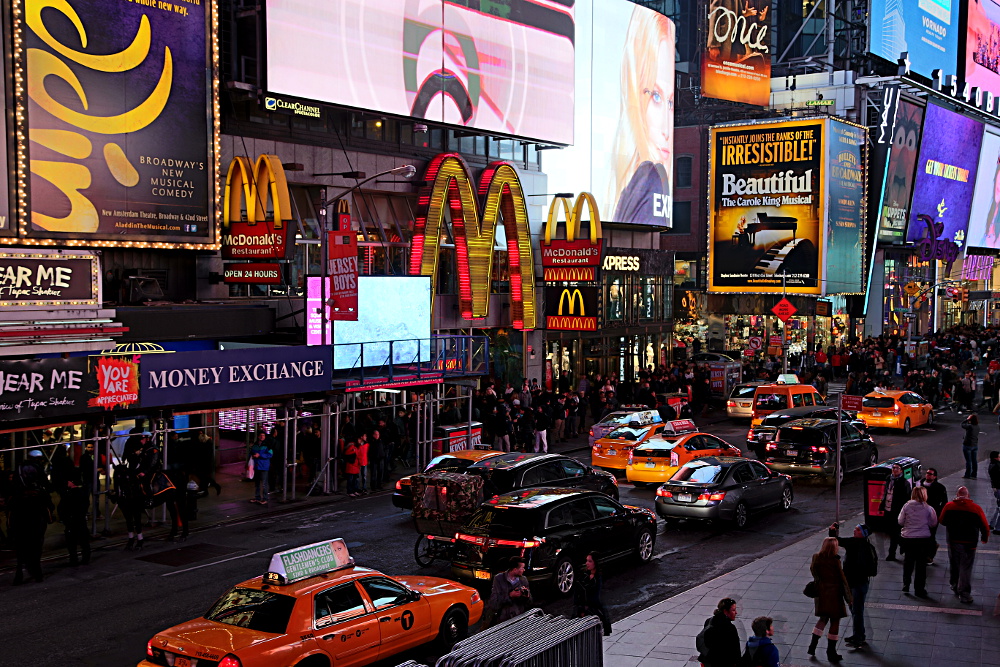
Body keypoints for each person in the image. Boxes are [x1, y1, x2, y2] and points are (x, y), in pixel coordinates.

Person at [609, 7, 675, 224]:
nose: (667, 128)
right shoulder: (651, 180)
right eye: (655, 95)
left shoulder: (637, 184)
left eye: (671, 102)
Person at [7, 450, 53, 584]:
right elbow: (47, 486)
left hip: (20, 500)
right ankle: (37, 572)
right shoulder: (38, 468)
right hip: (35, 500)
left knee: (12, 517)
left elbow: (13, 486)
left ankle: (19, 572)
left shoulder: (19, 468)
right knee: (47, 506)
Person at [829, 522, 877, 649]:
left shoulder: (855, 544)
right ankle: (859, 634)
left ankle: (859, 637)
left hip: (856, 584)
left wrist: (833, 532)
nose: (854, 531)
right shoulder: (866, 546)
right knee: (856, 610)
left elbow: (836, 541)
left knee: (856, 611)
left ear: (863, 533)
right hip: (859, 583)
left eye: (857, 530)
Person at [939, 486, 990, 604]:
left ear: (957, 495)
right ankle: (965, 594)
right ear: (968, 496)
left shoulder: (949, 506)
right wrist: (984, 537)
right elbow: (984, 526)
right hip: (969, 544)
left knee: (954, 564)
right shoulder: (976, 508)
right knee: (966, 568)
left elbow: (942, 520)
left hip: (953, 541)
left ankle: (954, 584)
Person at [807, 537, 852, 662]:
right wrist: (848, 598)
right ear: (834, 547)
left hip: (821, 593)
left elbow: (813, 572)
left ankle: (812, 645)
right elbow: (842, 580)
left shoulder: (816, 557)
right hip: (834, 594)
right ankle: (831, 652)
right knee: (835, 622)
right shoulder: (835, 561)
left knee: (822, 619)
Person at [898, 486, 937, 598]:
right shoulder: (928, 509)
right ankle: (919, 589)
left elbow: (900, 521)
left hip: (908, 538)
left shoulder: (906, 506)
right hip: (923, 539)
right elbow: (933, 523)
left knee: (908, 562)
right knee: (921, 565)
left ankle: (906, 584)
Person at [485, 557, 532, 626]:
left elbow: (529, 603)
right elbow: (494, 603)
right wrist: (510, 596)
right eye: (522, 568)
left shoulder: (523, 580)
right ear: (515, 569)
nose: (524, 570)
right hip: (503, 620)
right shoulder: (499, 579)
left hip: (518, 620)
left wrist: (527, 596)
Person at [573, 552, 611, 636]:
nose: (587, 563)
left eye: (590, 561)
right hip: (583, 608)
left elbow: (596, 595)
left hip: (593, 609)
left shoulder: (598, 578)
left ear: (595, 563)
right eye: (587, 561)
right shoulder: (584, 576)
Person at [879, 463, 911, 561]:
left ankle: (892, 554)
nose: (894, 470)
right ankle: (903, 545)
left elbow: (907, 498)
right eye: (893, 468)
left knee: (894, 532)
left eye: (897, 468)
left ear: (901, 470)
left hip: (897, 511)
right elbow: (885, 493)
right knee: (891, 531)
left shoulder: (904, 482)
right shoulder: (889, 479)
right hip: (887, 509)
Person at [696, 597, 740, 667]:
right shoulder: (730, 628)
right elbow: (735, 651)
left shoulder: (709, 621)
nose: (736, 612)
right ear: (725, 611)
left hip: (708, 661)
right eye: (733, 610)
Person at [61, 467, 91, 566]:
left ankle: (74, 559)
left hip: (72, 519)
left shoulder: (69, 493)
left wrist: (65, 518)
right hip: (80, 519)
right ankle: (85, 558)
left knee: (72, 541)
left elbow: (62, 507)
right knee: (84, 540)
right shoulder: (83, 491)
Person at [919, 468, 948, 563]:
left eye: (930, 474)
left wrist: (940, 515)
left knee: (930, 535)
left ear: (934, 477)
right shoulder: (919, 484)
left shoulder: (940, 488)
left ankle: (929, 555)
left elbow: (944, 502)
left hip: (933, 515)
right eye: (927, 473)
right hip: (920, 514)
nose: (928, 475)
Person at [249, 431, 273, 506]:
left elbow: (270, 455)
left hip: (263, 466)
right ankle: (257, 497)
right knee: (257, 483)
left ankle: (265, 498)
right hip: (257, 466)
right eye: (261, 435)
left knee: (264, 484)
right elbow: (251, 453)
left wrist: (259, 455)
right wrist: (253, 455)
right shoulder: (255, 445)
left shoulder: (267, 445)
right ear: (258, 436)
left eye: (263, 435)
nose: (262, 437)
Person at [962, 413, 980, 478]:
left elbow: (962, 425)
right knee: (974, 460)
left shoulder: (970, 426)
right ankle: (974, 474)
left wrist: (966, 420)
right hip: (975, 445)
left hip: (967, 445)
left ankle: (967, 474)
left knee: (968, 461)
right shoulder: (977, 427)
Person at [989, 451, 1000, 533]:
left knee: (998, 507)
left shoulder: (992, 465)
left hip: (997, 489)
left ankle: (992, 524)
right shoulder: (997, 466)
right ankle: (998, 528)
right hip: (999, 488)